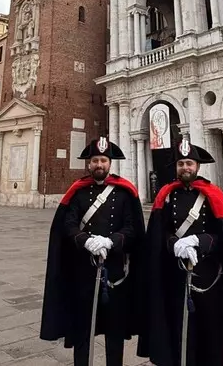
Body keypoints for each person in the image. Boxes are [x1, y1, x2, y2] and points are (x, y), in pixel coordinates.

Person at [138, 138, 223, 366]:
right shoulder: (167, 195)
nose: (185, 168)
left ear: (197, 166)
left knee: (211, 332)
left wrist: (198, 240)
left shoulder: (212, 194)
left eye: (189, 163)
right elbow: (160, 232)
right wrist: (173, 243)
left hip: (209, 279)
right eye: (181, 164)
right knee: (179, 330)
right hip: (176, 277)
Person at [41, 137, 146, 366]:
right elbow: (68, 224)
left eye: (103, 161)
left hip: (115, 271)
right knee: (82, 328)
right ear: (89, 164)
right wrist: (86, 241)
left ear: (110, 163)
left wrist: (111, 241)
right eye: (95, 160)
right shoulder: (78, 192)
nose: (99, 165)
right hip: (83, 271)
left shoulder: (124, 193)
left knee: (115, 329)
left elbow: (131, 227)